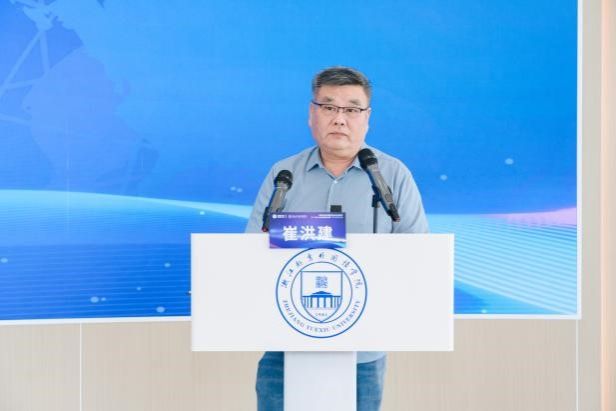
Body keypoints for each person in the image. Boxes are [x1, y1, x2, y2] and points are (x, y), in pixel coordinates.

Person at [245, 66, 428, 411]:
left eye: (352, 109)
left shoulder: (392, 176)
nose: (339, 119)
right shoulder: (283, 174)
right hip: (287, 343)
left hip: (362, 351)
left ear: (367, 118)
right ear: (311, 114)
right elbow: (251, 249)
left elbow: (417, 255)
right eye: (329, 107)